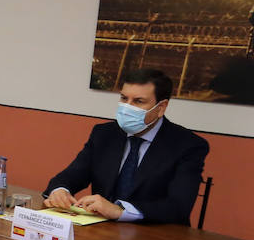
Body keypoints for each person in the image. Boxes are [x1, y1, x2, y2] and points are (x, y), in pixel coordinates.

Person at [43, 67, 209, 224]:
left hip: (156, 239)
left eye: (138, 101)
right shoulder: (105, 134)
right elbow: (71, 176)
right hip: (101, 232)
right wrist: (60, 190)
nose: (127, 107)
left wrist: (120, 211)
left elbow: (178, 207)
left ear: (161, 108)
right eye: (124, 98)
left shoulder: (188, 145)